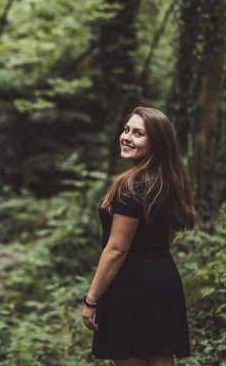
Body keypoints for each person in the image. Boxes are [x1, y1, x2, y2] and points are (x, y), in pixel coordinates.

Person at [81, 107, 196, 366]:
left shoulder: (131, 186)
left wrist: (91, 299)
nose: (126, 137)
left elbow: (117, 249)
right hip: (164, 282)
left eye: (138, 133)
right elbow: (166, 237)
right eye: (126, 130)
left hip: (131, 288)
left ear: (156, 142)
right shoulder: (168, 181)